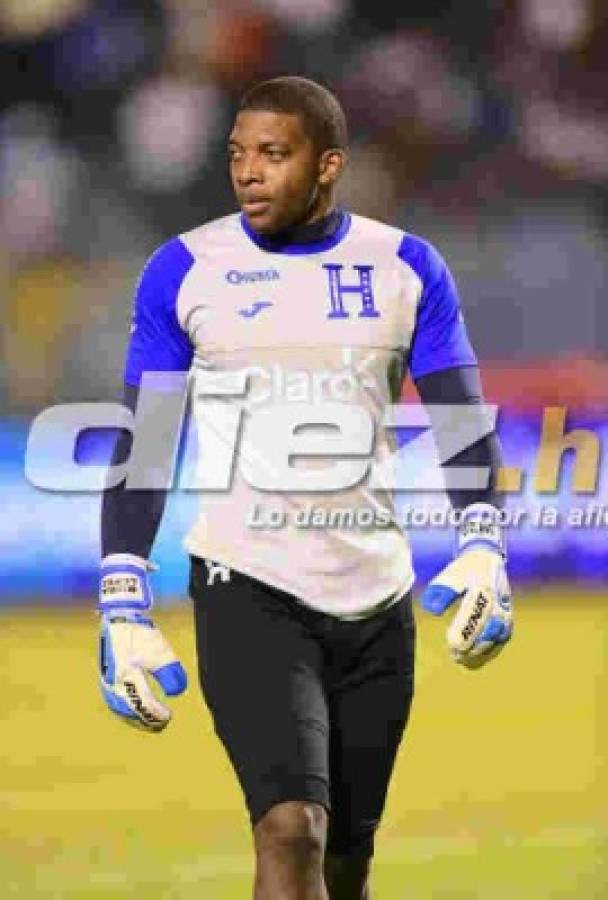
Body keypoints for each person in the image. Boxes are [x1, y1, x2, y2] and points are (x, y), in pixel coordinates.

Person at [97, 76, 513, 900]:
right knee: (292, 831)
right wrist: (122, 596)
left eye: (273, 155)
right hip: (245, 587)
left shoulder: (406, 267)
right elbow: (146, 445)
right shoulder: (184, 270)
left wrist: (485, 545)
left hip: (378, 599)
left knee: (348, 862)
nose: (247, 172)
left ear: (328, 166)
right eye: (237, 154)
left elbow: (462, 421)